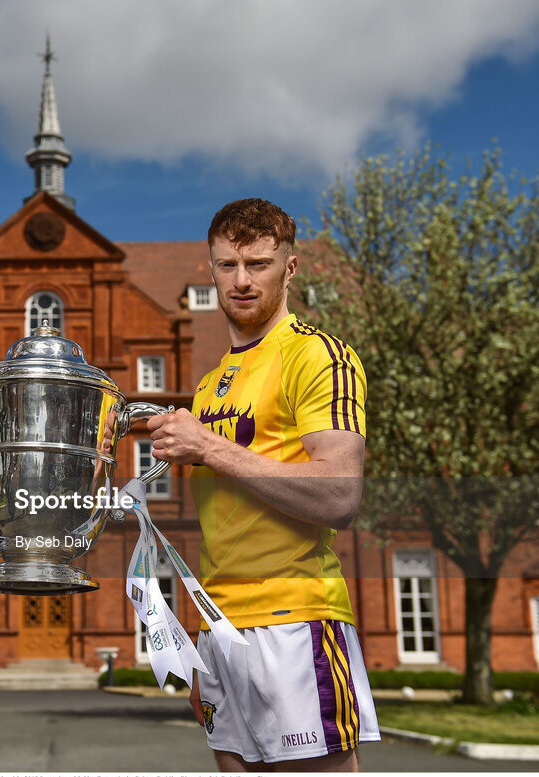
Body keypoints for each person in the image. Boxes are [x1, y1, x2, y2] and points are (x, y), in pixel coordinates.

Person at [147, 198, 379, 771]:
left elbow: (341, 494)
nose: (242, 280)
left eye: (258, 264)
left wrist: (208, 448)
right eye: (227, 265)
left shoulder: (318, 356)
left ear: (290, 268)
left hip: (295, 618)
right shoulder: (210, 386)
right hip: (220, 628)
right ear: (211, 270)